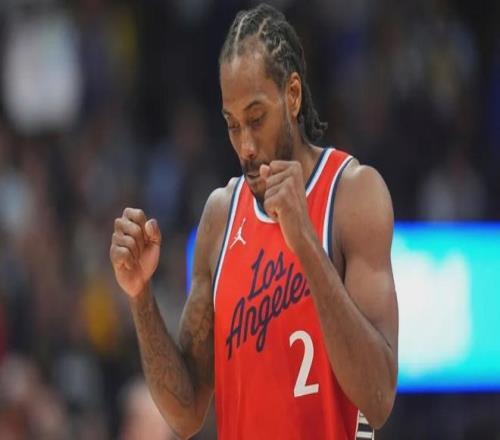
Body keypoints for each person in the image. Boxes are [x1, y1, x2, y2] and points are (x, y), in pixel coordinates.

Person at [110, 4, 398, 439]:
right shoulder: (220, 216)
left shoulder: (353, 195)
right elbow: (186, 411)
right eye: (232, 124)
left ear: (293, 95)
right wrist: (140, 295)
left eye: (256, 118)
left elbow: (378, 398)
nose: (245, 145)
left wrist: (304, 242)